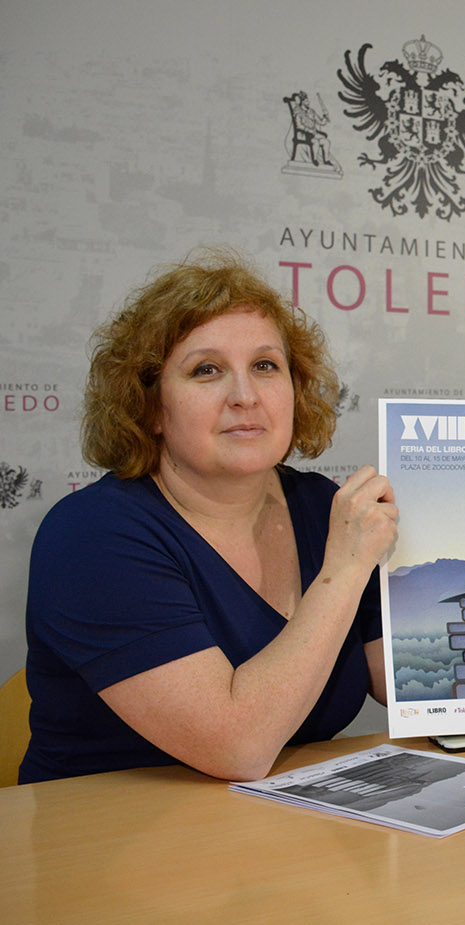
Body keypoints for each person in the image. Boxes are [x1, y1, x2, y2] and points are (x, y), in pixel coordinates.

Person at [18, 251, 400, 784]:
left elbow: (410, 685)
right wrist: (346, 569)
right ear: (149, 407)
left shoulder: (320, 506)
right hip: (109, 844)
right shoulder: (91, 536)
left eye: (265, 366)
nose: (245, 396)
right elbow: (237, 749)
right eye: (207, 370)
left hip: (285, 836)